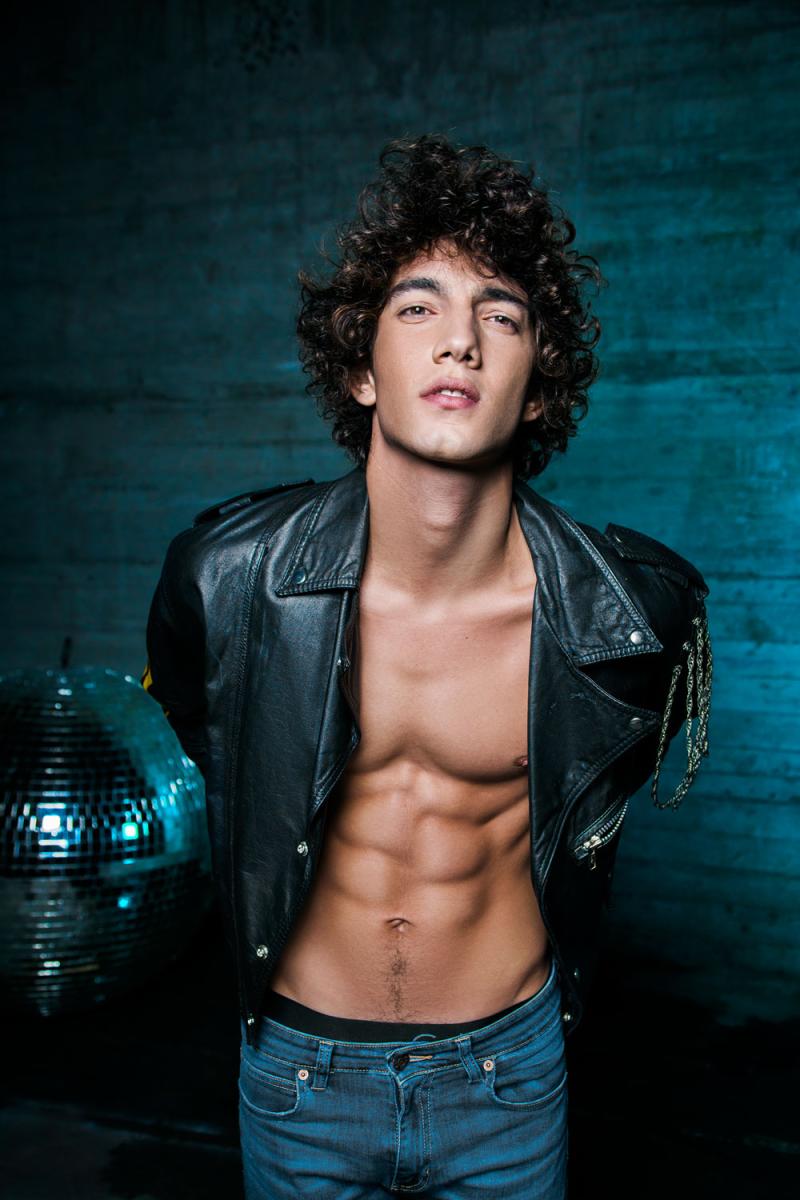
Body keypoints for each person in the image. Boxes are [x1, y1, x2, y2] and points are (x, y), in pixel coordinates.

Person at [141, 134, 712, 1198]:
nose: (460, 342)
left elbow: (601, 787)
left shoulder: (628, 615)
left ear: (536, 388)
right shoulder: (225, 579)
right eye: (418, 308)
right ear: (360, 370)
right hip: (299, 1075)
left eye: (502, 317)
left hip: (507, 1079)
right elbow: (211, 733)